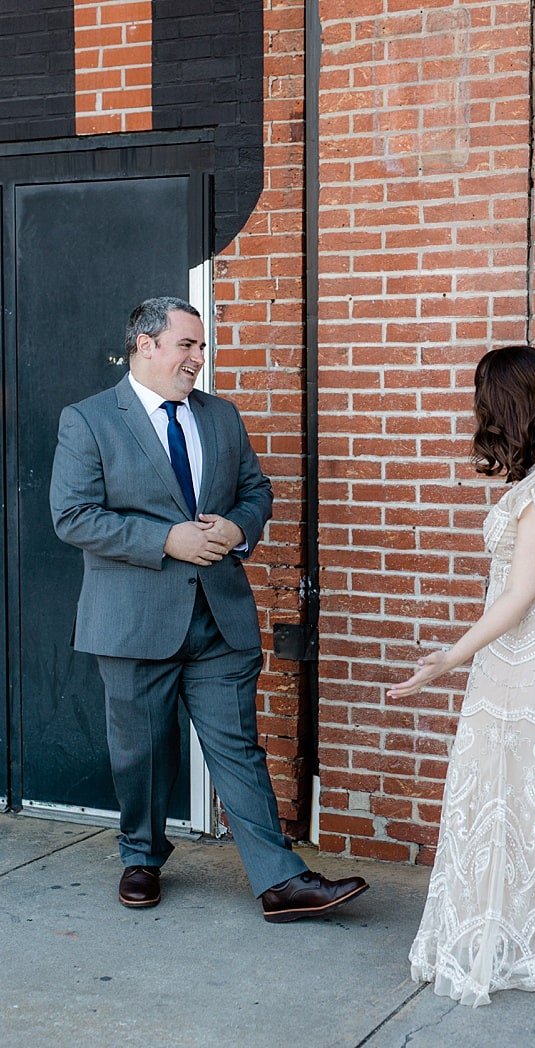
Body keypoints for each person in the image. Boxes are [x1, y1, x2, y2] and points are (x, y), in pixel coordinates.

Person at [50, 296, 368, 922]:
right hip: (133, 621)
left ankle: (281, 881)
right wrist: (166, 539)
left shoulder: (221, 417)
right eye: (187, 345)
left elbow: (257, 490)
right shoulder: (88, 420)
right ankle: (140, 856)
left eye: (201, 346)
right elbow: (72, 515)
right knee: (139, 751)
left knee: (238, 749)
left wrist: (237, 529)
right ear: (146, 345)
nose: (199, 358)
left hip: (218, 617)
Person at [388, 343, 535, 1006]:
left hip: (532, 660)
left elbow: (521, 594)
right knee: (532, 798)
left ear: (504, 404)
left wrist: (450, 656)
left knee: (514, 800)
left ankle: (521, 940)